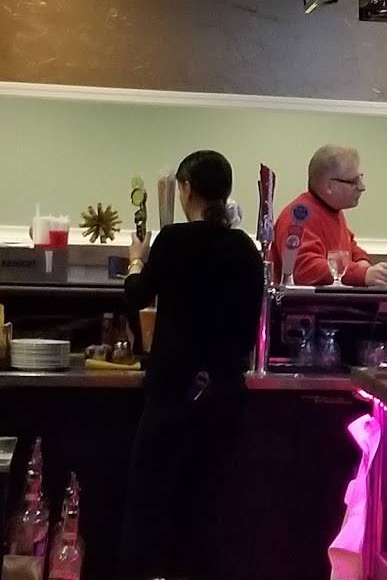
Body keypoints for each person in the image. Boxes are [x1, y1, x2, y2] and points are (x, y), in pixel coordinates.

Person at [119, 150, 265, 580]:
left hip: (173, 388)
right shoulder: (245, 249)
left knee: (148, 500)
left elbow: (137, 295)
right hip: (224, 391)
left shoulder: (174, 240)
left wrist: (136, 259)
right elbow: (249, 323)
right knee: (205, 503)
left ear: (185, 189)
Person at [271, 145, 387, 286]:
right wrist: (362, 274)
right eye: (353, 182)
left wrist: (362, 262)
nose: (362, 187)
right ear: (329, 186)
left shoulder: (331, 211)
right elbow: (305, 270)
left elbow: (350, 248)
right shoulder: (299, 216)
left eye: (360, 178)